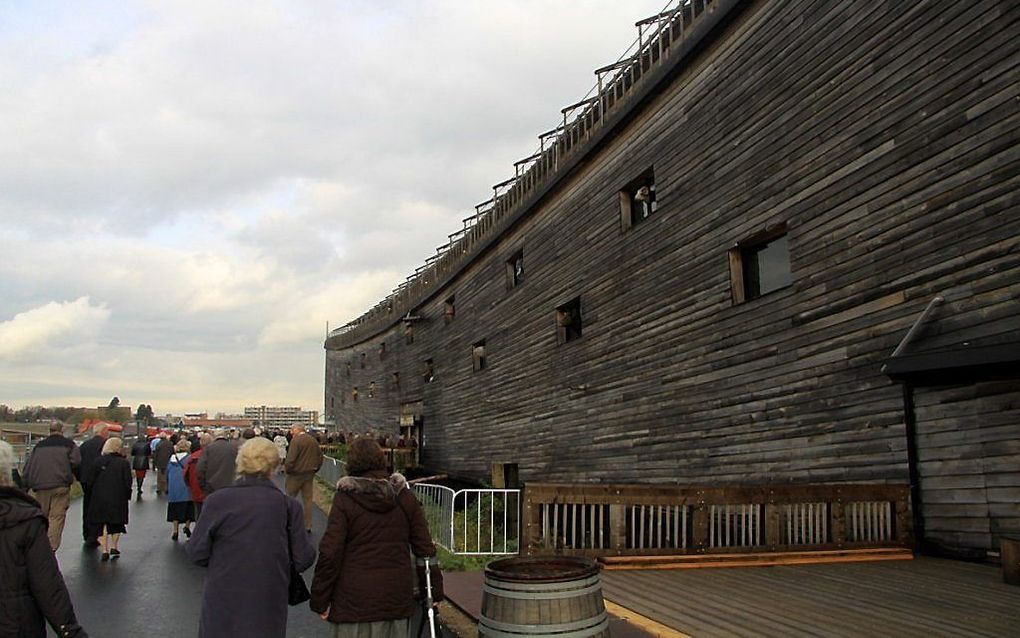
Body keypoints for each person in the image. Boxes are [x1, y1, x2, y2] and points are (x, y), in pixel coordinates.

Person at [310, 437, 443, 637]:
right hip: (395, 596)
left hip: (353, 598)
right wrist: (433, 590)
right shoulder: (404, 498)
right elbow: (424, 549)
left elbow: (331, 551)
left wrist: (320, 598)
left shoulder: (345, 499)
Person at [186, 438, 316, 638]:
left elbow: (196, 552)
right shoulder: (288, 506)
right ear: (273, 466)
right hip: (268, 594)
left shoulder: (217, 501)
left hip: (223, 592)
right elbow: (303, 557)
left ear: (240, 463)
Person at [0, 441, 88, 638]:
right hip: (15, 625)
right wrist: (70, 630)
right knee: (56, 516)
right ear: (6, 475)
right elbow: (47, 584)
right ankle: (53, 544)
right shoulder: (25, 520)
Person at [22, 422, 81, 550]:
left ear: (49, 430)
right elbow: (76, 462)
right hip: (61, 484)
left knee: (42, 516)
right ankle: (51, 547)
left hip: (40, 485)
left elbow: (28, 466)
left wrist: (24, 486)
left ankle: (38, 544)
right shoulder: (69, 445)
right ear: (62, 430)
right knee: (56, 517)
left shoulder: (39, 446)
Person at [84, 437, 132, 561]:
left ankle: (104, 548)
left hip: (99, 496)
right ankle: (114, 546)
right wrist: (128, 494)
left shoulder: (98, 462)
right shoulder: (123, 463)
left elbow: (90, 481)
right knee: (116, 523)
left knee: (100, 523)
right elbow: (128, 482)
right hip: (118, 496)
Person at [284, 424, 324, 532]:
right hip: (309, 473)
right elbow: (320, 457)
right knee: (307, 500)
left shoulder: (296, 441)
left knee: (289, 499)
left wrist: (287, 469)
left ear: (297, 429)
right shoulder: (313, 441)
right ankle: (308, 525)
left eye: (292, 429)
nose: (291, 432)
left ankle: (288, 522)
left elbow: (290, 459)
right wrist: (316, 469)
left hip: (296, 474)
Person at [77, 424, 108, 547]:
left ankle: (87, 533)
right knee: (99, 507)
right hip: (101, 480)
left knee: (87, 505)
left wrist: (79, 477)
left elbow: (77, 462)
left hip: (85, 479)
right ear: (103, 431)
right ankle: (96, 534)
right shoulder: (105, 445)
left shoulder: (85, 445)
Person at [166, 439, 195, 541]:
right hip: (186, 488)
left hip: (174, 489)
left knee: (174, 510)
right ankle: (187, 527)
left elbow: (167, 472)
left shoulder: (172, 459)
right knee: (188, 510)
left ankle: (175, 530)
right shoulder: (189, 459)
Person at [197, 429, 236, 496]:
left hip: (212, 487)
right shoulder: (234, 448)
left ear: (214, 437)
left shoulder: (208, 449)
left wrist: (203, 486)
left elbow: (200, 468)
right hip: (231, 486)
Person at [183, 432, 212, 518]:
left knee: (198, 514)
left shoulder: (192, 457)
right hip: (211, 490)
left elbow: (185, 474)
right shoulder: (213, 455)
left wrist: (190, 486)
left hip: (195, 489)